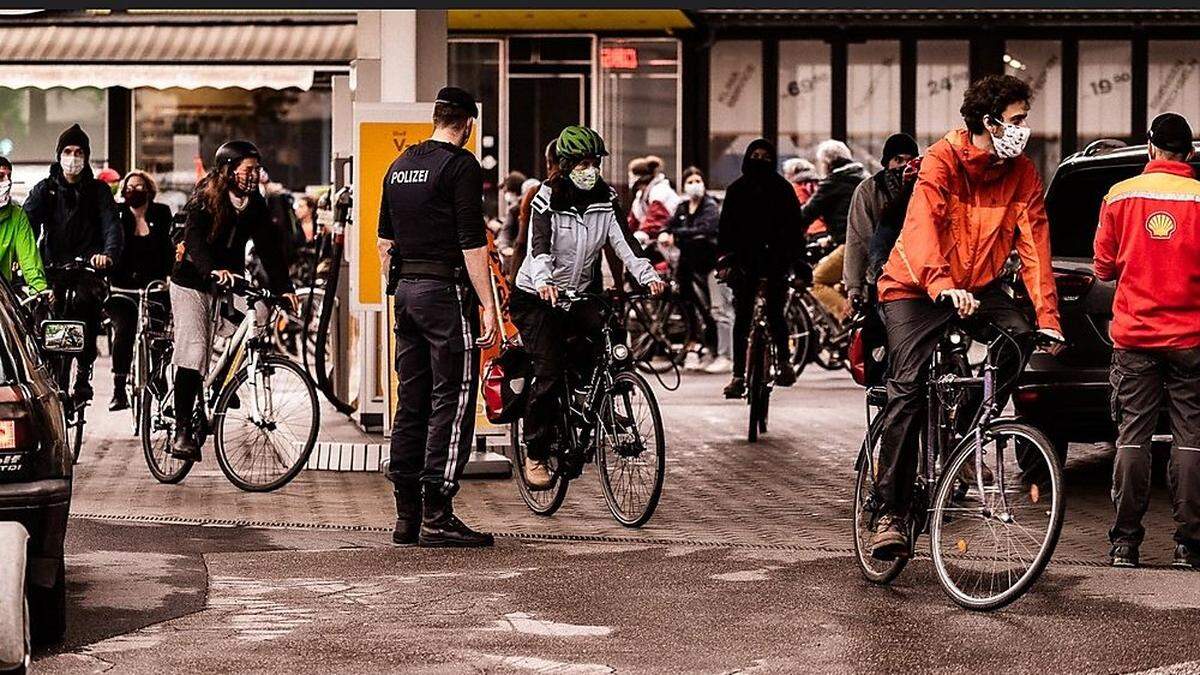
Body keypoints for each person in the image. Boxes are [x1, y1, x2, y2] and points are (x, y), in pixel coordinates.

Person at [868, 75, 1064, 559]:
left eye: (1024, 120)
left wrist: (1048, 316)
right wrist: (941, 285)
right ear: (987, 120)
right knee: (907, 388)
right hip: (915, 286)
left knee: (1019, 338)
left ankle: (969, 430)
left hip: (978, 287)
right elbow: (920, 232)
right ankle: (889, 512)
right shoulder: (941, 160)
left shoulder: (1022, 173)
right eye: (1017, 120)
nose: (1024, 130)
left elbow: (1035, 247)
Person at [376, 87, 498, 548]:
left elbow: (384, 242)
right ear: (466, 123)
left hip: (406, 292)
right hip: (445, 293)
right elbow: (471, 241)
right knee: (455, 396)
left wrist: (401, 289)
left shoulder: (401, 164)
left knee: (413, 399)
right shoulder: (461, 165)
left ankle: (406, 516)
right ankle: (438, 513)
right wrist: (487, 303)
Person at [511, 125, 664, 490]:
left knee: (614, 341)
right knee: (548, 371)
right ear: (564, 165)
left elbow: (625, 244)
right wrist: (546, 281)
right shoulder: (545, 199)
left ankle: (601, 399)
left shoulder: (606, 200)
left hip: (578, 295)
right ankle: (535, 452)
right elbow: (539, 248)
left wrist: (648, 276)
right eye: (581, 162)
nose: (589, 168)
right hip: (537, 297)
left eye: (594, 162)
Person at [1094, 112, 1200, 569]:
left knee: (1132, 436)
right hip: (1190, 339)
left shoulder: (1120, 195)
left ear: (1151, 147)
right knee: (1191, 438)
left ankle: (1125, 545)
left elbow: (1102, 268)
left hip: (1134, 337)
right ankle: (1189, 545)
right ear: (1190, 152)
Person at [169, 140, 296, 462]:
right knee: (195, 350)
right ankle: (182, 429)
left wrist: (285, 288)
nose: (254, 176)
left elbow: (269, 247)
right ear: (228, 170)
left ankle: (223, 382)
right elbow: (193, 240)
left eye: (257, 169)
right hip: (191, 282)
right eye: (248, 169)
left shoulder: (254, 203)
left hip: (229, 284)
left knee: (260, 314)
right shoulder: (205, 197)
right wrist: (212, 270)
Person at [25, 123, 122, 404]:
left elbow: (112, 227)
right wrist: (24, 261)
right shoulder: (44, 191)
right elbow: (27, 227)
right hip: (51, 268)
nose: (73, 157)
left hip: (87, 270)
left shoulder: (98, 191)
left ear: (87, 157)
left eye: (79, 152)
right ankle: (45, 373)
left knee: (85, 306)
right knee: (43, 312)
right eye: (67, 151)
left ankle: (83, 372)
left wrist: (108, 254)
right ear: (59, 155)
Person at [717, 138, 804, 398]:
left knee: (776, 312)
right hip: (743, 263)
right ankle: (738, 376)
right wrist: (725, 260)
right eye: (755, 155)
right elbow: (725, 230)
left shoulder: (783, 190)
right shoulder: (736, 190)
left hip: (776, 261)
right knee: (742, 318)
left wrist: (798, 264)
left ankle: (784, 364)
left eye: (765, 156)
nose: (760, 160)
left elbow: (794, 230)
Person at [105, 170, 174, 411]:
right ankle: (119, 388)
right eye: (130, 187)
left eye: (139, 186)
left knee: (158, 338)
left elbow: (168, 248)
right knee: (124, 330)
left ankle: (159, 383)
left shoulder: (161, 213)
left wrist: (169, 277)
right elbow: (111, 246)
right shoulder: (117, 214)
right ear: (124, 192)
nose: (135, 190)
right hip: (121, 289)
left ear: (149, 190)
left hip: (154, 288)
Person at [843, 133, 921, 309]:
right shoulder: (868, 191)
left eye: (909, 161)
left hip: (920, 277)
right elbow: (858, 239)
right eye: (898, 160)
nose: (903, 166)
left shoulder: (924, 188)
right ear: (887, 162)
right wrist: (854, 287)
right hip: (881, 276)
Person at [795, 140, 870, 322]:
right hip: (870, 245)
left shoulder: (833, 183)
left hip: (851, 246)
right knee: (841, 286)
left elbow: (806, 215)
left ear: (828, 163)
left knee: (816, 280)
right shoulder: (864, 177)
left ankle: (848, 318)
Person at [665, 167, 727, 372]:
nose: (694, 185)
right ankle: (699, 346)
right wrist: (669, 232)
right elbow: (668, 225)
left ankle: (721, 352)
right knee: (689, 305)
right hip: (687, 264)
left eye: (697, 180)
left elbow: (706, 228)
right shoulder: (683, 207)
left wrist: (678, 234)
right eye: (690, 181)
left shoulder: (709, 205)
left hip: (708, 263)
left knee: (716, 309)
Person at [0, 157, 46, 295]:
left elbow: (29, 258)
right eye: (1, 176)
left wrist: (40, 289)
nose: (7, 182)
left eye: (9, 177)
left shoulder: (17, 215)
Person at [628, 155, 680, 237]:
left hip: (670, 235)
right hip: (653, 236)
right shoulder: (639, 198)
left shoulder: (660, 190)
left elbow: (656, 219)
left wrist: (642, 233)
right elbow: (632, 223)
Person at [782, 157, 826, 239]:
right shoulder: (821, 184)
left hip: (811, 231)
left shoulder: (795, 188)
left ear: (793, 172)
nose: (785, 176)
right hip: (827, 228)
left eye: (786, 173)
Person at [496, 170, 527, 260]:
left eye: (506, 191)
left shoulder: (514, 210)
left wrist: (504, 247)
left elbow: (506, 231)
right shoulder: (513, 210)